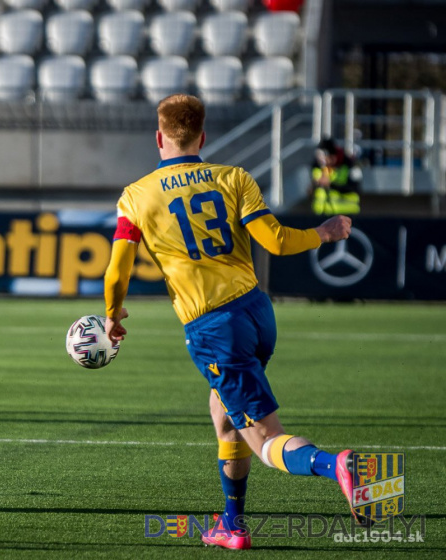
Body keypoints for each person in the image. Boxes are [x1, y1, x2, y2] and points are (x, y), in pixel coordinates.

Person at [103, 94, 359, 550]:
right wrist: (325, 232)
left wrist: (113, 314)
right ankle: (232, 526)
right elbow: (276, 242)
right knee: (224, 418)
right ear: (203, 137)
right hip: (257, 313)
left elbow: (117, 271)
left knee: (265, 440)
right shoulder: (233, 177)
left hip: (212, 327)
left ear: (158, 138)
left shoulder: (136, 197)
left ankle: (333, 463)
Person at [310, 137, 362, 216]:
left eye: (326, 159)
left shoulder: (349, 165)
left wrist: (330, 184)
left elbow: (355, 188)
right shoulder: (318, 166)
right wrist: (314, 185)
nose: (324, 163)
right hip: (322, 215)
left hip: (346, 215)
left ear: (333, 156)